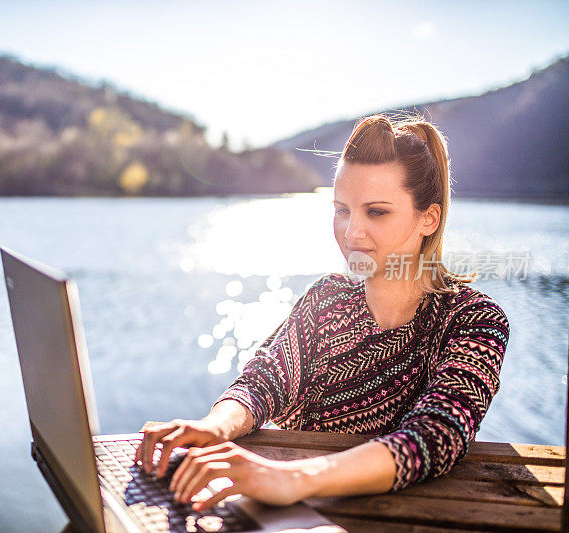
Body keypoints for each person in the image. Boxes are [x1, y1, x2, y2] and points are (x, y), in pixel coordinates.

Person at [135, 114, 510, 512]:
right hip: (290, 515)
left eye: (376, 212)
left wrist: (289, 479)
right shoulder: (328, 297)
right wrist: (216, 427)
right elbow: (264, 380)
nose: (351, 233)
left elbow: (434, 437)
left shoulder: (474, 320)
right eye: (342, 210)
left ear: (428, 219)